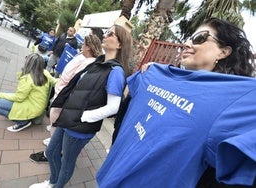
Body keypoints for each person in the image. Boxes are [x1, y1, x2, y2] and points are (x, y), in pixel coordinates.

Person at [96, 18, 256, 188]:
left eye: (200, 38)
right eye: (188, 38)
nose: (187, 43)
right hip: (109, 175)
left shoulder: (233, 101)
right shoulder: (154, 74)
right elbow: (122, 119)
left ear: (223, 52)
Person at [29, 24, 133, 188]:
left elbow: (113, 107)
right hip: (69, 117)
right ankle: (52, 182)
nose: (105, 35)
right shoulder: (98, 62)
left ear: (120, 44)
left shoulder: (115, 71)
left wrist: (84, 116)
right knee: (51, 152)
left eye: (110, 34)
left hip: (79, 126)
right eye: (106, 32)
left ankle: (55, 185)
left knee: (67, 162)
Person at [29, 34, 103, 163]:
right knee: (55, 117)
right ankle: (53, 142)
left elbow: (76, 78)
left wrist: (64, 90)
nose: (82, 46)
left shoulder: (89, 61)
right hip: (62, 88)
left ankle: (53, 147)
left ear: (89, 47)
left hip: (65, 91)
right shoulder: (83, 56)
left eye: (84, 44)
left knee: (56, 116)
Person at [0, 53, 57, 132]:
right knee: (4, 97)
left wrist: (0, 95)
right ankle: (23, 117)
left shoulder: (28, 78)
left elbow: (19, 98)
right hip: (38, 107)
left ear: (28, 63)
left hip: (30, 107)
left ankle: (22, 122)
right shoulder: (45, 72)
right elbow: (55, 81)